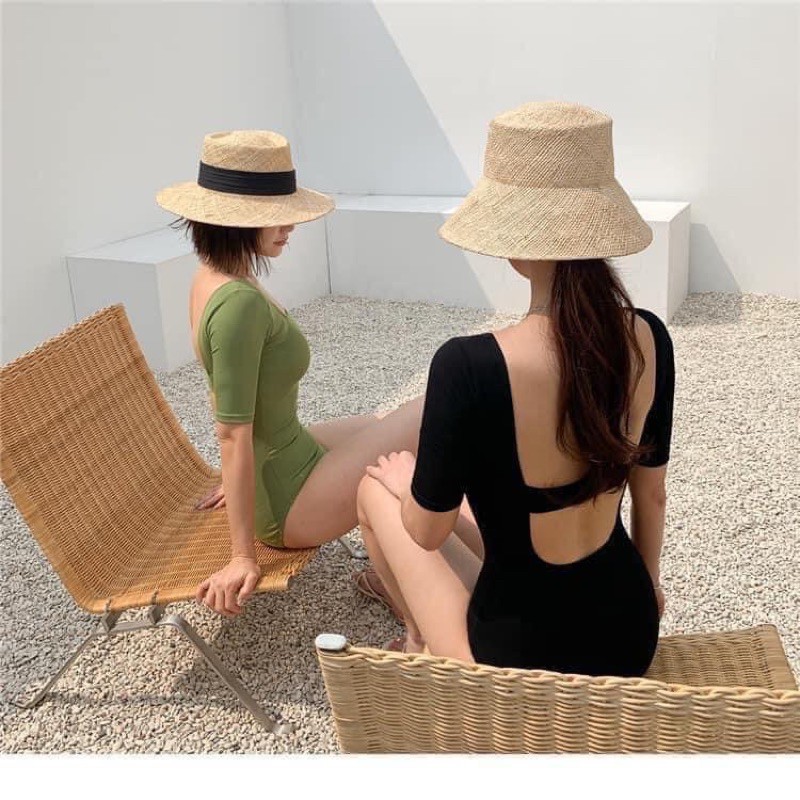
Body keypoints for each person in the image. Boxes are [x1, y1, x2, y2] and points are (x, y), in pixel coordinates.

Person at [356, 102, 674, 677]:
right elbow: (650, 496)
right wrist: (648, 591)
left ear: (513, 240)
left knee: (376, 489)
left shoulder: (468, 365)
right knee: (501, 523)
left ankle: (421, 643)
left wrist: (407, 486)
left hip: (522, 660)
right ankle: (424, 635)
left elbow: (426, 531)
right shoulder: (647, 338)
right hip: (629, 635)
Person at [156, 130, 431, 618]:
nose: (290, 226)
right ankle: (416, 589)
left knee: (392, 425)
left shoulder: (214, 275)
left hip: (282, 454)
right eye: (277, 215)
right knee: (430, 417)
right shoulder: (237, 304)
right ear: (238, 221)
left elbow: (232, 398)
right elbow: (231, 432)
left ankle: (406, 561)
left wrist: (240, 476)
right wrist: (242, 556)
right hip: (287, 501)